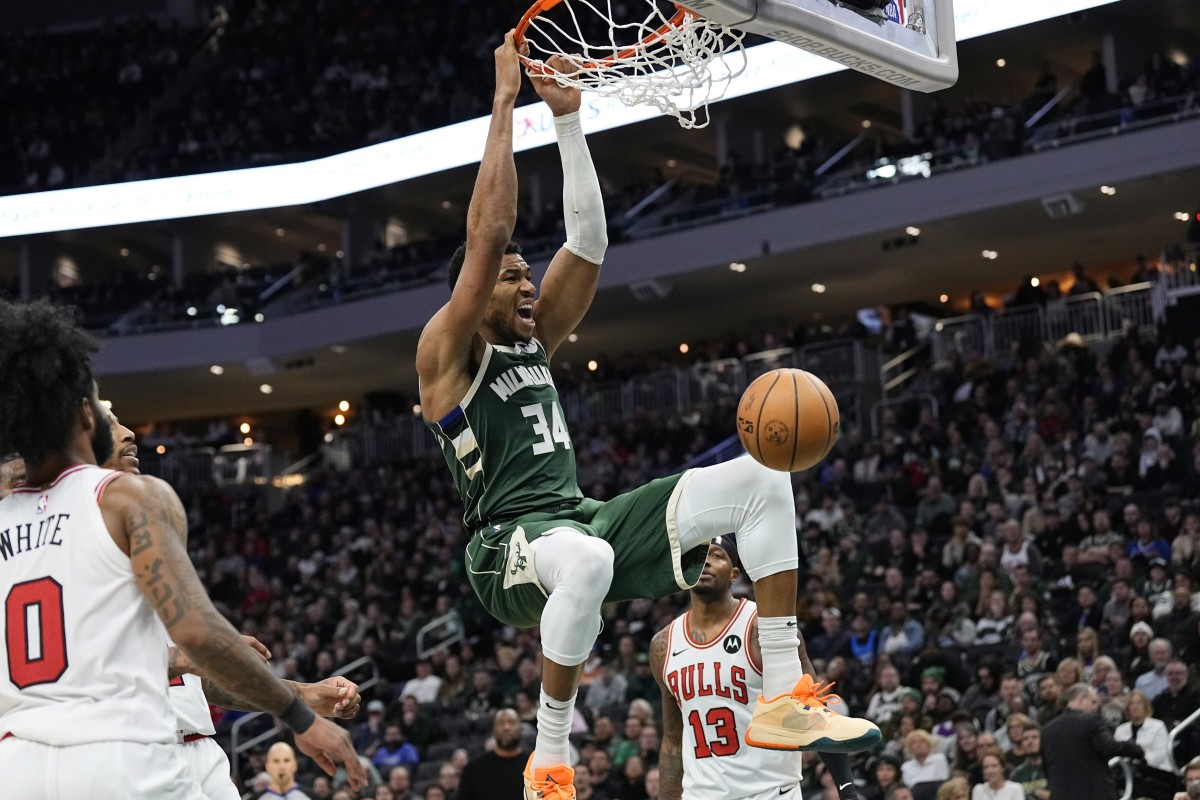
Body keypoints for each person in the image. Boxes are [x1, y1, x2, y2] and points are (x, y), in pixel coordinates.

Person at [416, 31, 877, 800]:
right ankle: (552, 758)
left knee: (764, 482)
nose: (527, 283)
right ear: (472, 294)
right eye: (511, 279)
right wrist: (503, 102)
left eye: (529, 275)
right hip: (504, 551)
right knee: (588, 561)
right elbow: (487, 234)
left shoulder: (535, 342)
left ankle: (786, 699)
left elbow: (589, 242)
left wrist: (568, 122)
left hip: (580, 521)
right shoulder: (447, 355)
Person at [0, 299, 365, 798]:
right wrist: (298, 715)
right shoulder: (130, 499)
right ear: (82, 413)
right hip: (119, 757)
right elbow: (196, 633)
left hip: (16, 764)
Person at [93, 407, 363, 800]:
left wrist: (302, 696)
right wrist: (188, 656)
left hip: (202, 752)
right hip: (135, 755)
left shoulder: (141, 526)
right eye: (111, 424)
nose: (130, 432)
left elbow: (194, 678)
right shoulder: (74, 542)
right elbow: (89, 658)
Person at [652, 540, 873, 800]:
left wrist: (847, 790)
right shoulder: (664, 645)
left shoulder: (766, 628)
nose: (706, 561)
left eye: (717, 555)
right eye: (698, 556)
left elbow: (814, 710)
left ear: (734, 575)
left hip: (770, 792)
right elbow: (672, 742)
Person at [1041, 684, 1144, 800]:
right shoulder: (1090, 721)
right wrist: (1136, 750)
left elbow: (1046, 768)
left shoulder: (1046, 730)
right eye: (1093, 702)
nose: (1095, 708)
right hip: (1093, 793)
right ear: (1080, 698)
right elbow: (1109, 746)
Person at [457, 708, 528, 800]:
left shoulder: (534, 766)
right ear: (493, 730)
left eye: (511, 722)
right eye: (501, 723)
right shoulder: (473, 770)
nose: (506, 727)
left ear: (521, 728)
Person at [1115, 690, 1172, 771]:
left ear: (1145, 706)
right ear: (1127, 708)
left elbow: (1161, 753)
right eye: (1131, 703)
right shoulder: (1120, 730)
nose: (1135, 706)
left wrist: (1143, 761)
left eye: (1139, 703)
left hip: (1156, 770)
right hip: (1128, 771)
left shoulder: (1158, 726)